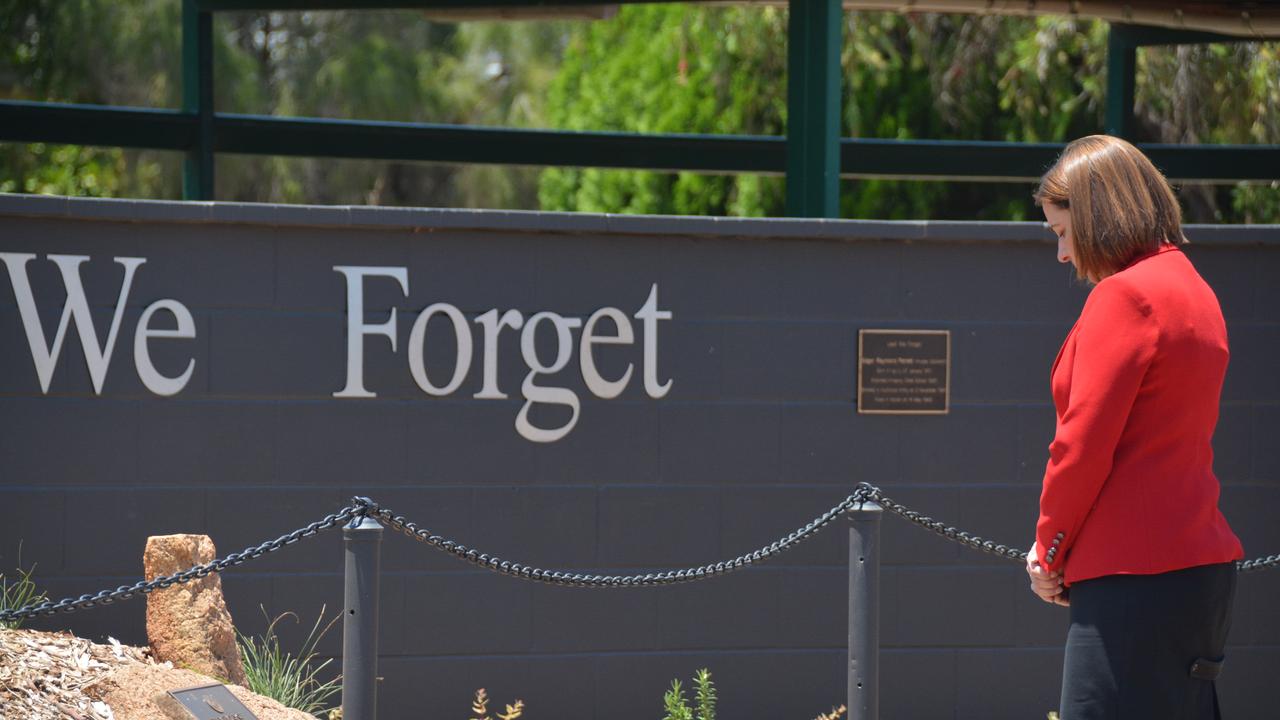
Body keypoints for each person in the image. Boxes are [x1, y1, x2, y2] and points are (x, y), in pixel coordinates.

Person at [1024, 135, 1244, 720]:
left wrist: (1049, 550)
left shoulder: (1124, 297)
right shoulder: (1194, 288)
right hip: (1201, 575)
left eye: (1062, 232)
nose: (1063, 254)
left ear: (1096, 216)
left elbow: (1081, 446)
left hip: (1132, 579)